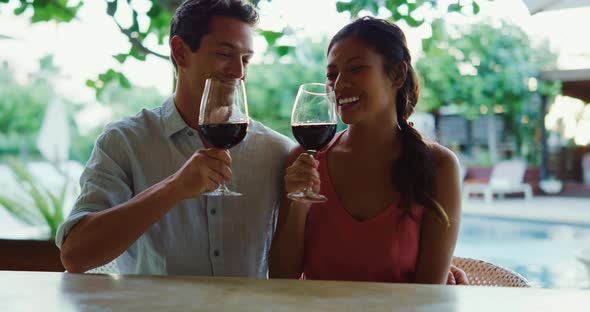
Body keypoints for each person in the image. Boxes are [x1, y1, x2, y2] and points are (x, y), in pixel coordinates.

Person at [56, 0, 294, 276]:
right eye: (224, 54)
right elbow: (75, 256)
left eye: (246, 59)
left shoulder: (279, 151)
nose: (239, 72)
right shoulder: (124, 141)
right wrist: (173, 188)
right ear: (180, 52)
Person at [269, 17, 463, 284]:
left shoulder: (440, 166)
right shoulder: (304, 160)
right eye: (331, 74)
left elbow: (430, 293)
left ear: (397, 74)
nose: (338, 85)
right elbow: (281, 277)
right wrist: (299, 205)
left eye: (356, 69)